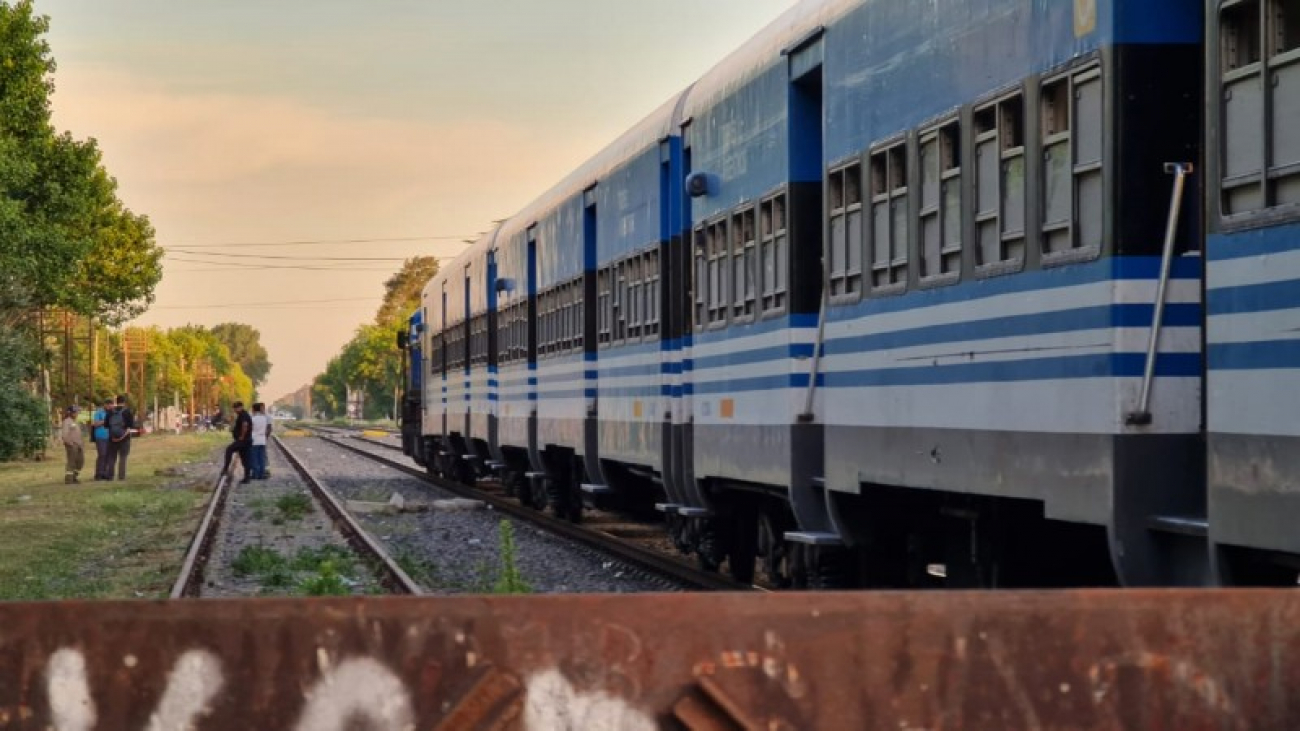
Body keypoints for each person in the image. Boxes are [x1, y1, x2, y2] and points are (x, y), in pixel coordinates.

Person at [221, 401, 253, 484]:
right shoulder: (243, 415)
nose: (235, 410)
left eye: (236, 408)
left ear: (241, 407)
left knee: (229, 449)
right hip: (246, 440)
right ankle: (247, 478)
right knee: (245, 459)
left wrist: (242, 436)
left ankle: (225, 469)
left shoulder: (243, 415)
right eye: (234, 408)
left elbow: (245, 425)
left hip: (243, 440)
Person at [105, 394, 135, 481]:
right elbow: (131, 425)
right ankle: (121, 476)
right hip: (124, 438)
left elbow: (106, 425)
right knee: (123, 457)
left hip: (112, 438)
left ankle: (110, 476)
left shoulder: (110, 412)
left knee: (112, 457)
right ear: (124, 402)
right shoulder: (127, 411)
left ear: (116, 402)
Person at [60, 406, 85, 484]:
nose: (76, 413)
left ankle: (75, 476)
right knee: (71, 462)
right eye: (75, 412)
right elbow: (64, 435)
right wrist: (70, 443)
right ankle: (69, 479)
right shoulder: (67, 421)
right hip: (72, 445)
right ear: (70, 413)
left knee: (80, 461)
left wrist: (81, 443)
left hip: (79, 445)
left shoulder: (75, 422)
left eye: (77, 412)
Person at [91, 398, 113, 480]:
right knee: (102, 454)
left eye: (111, 405)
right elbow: (95, 424)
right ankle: (98, 473)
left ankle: (105, 473)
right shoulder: (99, 412)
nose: (110, 407)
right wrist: (105, 421)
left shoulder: (111, 413)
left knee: (108, 455)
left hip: (109, 436)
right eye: (108, 405)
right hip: (100, 436)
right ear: (105, 405)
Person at [250, 402, 270, 479]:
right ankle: (262, 474)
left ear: (254, 410)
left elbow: (251, 429)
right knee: (262, 458)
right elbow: (266, 428)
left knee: (254, 458)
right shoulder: (264, 418)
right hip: (262, 440)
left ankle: (255, 474)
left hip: (254, 440)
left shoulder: (253, 419)